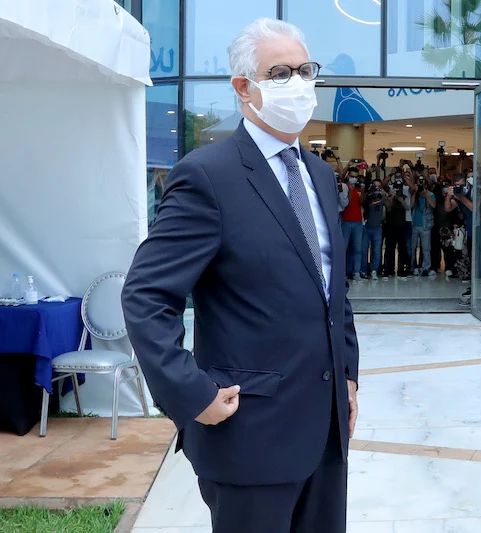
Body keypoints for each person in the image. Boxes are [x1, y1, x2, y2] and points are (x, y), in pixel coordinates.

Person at [121, 18, 359, 533]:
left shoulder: (318, 174)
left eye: (305, 70)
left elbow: (330, 289)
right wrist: (192, 394)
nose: (299, 83)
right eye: (280, 73)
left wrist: (349, 375)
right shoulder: (208, 175)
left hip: (325, 432)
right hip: (249, 434)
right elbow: (146, 296)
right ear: (243, 88)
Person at [381, 172, 411, 278]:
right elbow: (388, 207)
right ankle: (389, 269)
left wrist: (401, 200)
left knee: (402, 248)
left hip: (402, 225)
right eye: (396, 187)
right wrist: (391, 198)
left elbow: (407, 207)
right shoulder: (390, 194)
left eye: (399, 187)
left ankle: (402, 269)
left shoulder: (405, 195)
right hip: (390, 225)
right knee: (389, 248)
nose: (398, 189)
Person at [341, 166, 364, 281]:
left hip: (358, 222)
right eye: (351, 176)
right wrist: (349, 190)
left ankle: (356, 272)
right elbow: (345, 203)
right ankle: (342, 273)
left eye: (355, 177)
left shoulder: (359, 189)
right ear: (348, 176)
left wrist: (362, 191)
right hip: (345, 221)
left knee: (357, 249)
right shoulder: (344, 187)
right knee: (343, 248)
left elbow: (362, 202)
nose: (353, 178)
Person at [410, 175, 436, 276]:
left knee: (426, 248)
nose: (421, 183)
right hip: (414, 225)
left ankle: (426, 267)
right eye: (419, 182)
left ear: (426, 183)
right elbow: (411, 205)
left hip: (425, 225)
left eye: (422, 182)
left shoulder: (430, 194)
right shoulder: (415, 193)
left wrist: (426, 195)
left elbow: (433, 205)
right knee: (412, 247)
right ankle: (413, 267)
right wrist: (415, 192)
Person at [361, 178, 386, 280]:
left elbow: (388, 205)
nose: (377, 188)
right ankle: (363, 270)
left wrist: (384, 195)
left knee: (376, 251)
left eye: (379, 186)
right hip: (366, 227)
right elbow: (362, 203)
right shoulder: (368, 196)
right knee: (364, 250)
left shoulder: (382, 196)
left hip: (377, 228)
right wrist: (368, 193)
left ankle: (374, 270)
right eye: (375, 186)